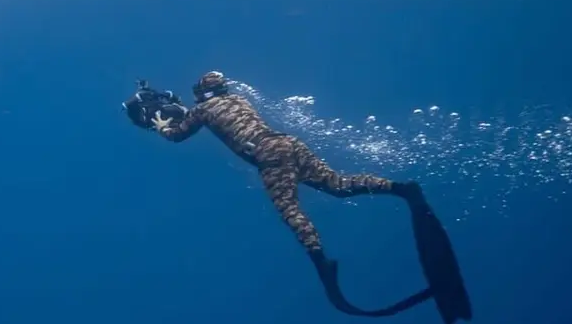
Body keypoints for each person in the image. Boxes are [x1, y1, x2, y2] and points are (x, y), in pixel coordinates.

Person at [123, 72, 472, 324]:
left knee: (289, 208)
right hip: (288, 142)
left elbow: (179, 135)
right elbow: (215, 115)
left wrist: (161, 125)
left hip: (268, 155)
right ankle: (400, 189)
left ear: (201, 93)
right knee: (337, 184)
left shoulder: (203, 110)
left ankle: (319, 258)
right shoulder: (237, 99)